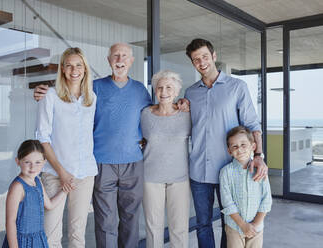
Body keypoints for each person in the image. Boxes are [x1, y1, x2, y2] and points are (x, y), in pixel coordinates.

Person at [34, 43, 152, 248]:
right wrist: (39, 91)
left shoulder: (131, 91)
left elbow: (152, 116)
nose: (120, 60)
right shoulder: (91, 89)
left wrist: (179, 105)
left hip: (111, 166)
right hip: (89, 166)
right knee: (99, 222)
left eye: (124, 56)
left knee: (119, 223)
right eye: (115, 55)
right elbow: (45, 131)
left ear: (132, 60)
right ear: (108, 60)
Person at [183, 38, 268, 248]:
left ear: (213, 56)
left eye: (204, 56)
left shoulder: (237, 87)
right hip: (199, 171)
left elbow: (252, 125)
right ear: (193, 63)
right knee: (202, 224)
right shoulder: (190, 93)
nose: (201, 62)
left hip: (230, 171)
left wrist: (259, 157)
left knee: (229, 223)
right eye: (196, 59)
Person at [36, 47, 97, 247]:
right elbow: (42, 139)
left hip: (85, 173)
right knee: (51, 233)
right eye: (69, 65)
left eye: (78, 65)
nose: (74, 70)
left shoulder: (91, 99)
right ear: (62, 69)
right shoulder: (50, 96)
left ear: (85, 69)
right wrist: (61, 172)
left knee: (78, 233)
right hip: (55, 174)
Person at [140, 70, 191, 248]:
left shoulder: (187, 114)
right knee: (153, 228)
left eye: (169, 87)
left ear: (177, 92)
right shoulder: (145, 114)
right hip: (151, 178)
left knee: (180, 228)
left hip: (180, 179)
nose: (164, 91)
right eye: (159, 87)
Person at [2, 139, 68, 248]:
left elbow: (49, 205)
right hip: (21, 242)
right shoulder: (17, 187)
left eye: (38, 162)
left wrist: (64, 191)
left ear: (44, 162)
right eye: (27, 162)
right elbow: (10, 222)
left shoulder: (37, 181)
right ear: (18, 161)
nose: (33, 167)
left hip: (38, 240)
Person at [220, 126, 272, 248]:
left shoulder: (260, 170)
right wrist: (243, 225)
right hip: (234, 227)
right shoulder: (226, 172)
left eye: (243, 145)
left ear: (253, 147)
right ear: (229, 151)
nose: (240, 149)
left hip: (257, 228)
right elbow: (227, 203)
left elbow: (266, 200)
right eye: (235, 146)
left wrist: (254, 225)